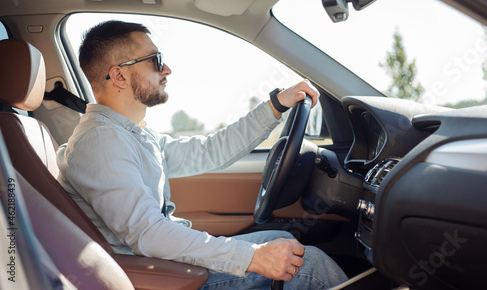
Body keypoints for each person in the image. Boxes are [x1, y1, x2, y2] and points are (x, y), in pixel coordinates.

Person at [56, 20, 348, 289]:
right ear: (119, 75)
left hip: (165, 264)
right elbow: (148, 234)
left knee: (284, 242)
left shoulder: (131, 134)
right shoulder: (100, 141)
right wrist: (252, 257)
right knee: (311, 265)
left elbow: (208, 151)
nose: (166, 69)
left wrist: (275, 106)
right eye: (156, 60)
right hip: (158, 277)